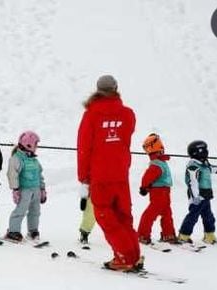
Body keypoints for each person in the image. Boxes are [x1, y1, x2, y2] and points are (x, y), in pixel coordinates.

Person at [76, 75, 141, 271]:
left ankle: (123, 256)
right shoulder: (128, 114)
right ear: (116, 88)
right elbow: (125, 138)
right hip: (120, 174)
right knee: (123, 216)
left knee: (104, 214)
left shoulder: (91, 115)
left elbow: (84, 147)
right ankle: (133, 255)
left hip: (100, 174)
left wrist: (83, 177)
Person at [178, 140, 217, 244]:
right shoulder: (193, 166)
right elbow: (192, 182)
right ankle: (183, 236)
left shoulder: (204, 163)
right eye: (204, 150)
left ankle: (209, 235)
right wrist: (196, 197)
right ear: (197, 152)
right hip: (197, 197)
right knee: (193, 217)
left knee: (209, 217)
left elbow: (210, 169)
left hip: (206, 195)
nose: (206, 152)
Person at [5, 131, 46, 242]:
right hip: (24, 191)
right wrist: (16, 189)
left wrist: (42, 189)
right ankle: (13, 231)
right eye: (35, 144)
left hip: (36, 190)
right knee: (20, 211)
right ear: (28, 144)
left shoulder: (34, 160)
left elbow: (39, 174)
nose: (36, 147)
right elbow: (12, 174)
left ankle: (33, 230)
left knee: (35, 211)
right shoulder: (17, 158)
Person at [137, 133, 177, 245]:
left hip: (162, 192)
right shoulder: (159, 163)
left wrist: (144, 186)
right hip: (161, 192)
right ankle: (163, 234)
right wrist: (144, 187)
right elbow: (148, 177)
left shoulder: (158, 163)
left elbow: (147, 177)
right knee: (158, 214)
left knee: (159, 214)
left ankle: (163, 234)